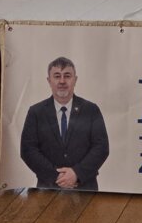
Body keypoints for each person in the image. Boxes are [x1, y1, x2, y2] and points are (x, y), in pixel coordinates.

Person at [20, 57, 109, 191]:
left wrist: (76, 173)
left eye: (67, 76)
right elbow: (28, 150)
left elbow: (101, 147)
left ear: (75, 80)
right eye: (57, 76)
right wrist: (57, 177)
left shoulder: (91, 110)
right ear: (49, 81)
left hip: (85, 189)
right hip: (48, 189)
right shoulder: (36, 112)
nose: (62, 81)